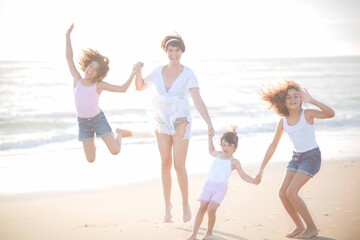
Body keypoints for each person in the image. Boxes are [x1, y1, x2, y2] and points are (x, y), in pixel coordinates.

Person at [135, 34, 214, 223]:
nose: (173, 53)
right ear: (166, 52)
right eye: (170, 50)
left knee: (179, 164)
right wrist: (138, 71)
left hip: (181, 121)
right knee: (165, 163)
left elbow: (197, 99)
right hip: (161, 121)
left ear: (182, 51)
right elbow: (139, 87)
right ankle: (167, 205)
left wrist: (209, 123)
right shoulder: (157, 71)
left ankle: (185, 203)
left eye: (177, 50)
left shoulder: (189, 74)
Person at [255, 80, 335, 239]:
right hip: (296, 157)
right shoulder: (283, 121)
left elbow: (330, 114)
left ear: (301, 99)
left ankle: (311, 228)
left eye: (296, 96)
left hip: (312, 157)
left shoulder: (308, 114)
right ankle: (299, 226)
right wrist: (261, 170)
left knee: (291, 192)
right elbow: (273, 146)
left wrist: (312, 100)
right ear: (283, 101)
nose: (292, 99)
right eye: (288, 97)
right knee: (282, 193)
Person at [66, 23, 141, 163]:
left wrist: (133, 73)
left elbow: (123, 88)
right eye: (90, 66)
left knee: (115, 151)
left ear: (98, 74)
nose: (90, 70)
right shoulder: (77, 79)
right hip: (83, 123)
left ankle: (119, 133)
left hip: (98, 120)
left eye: (94, 69)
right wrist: (67, 36)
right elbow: (69, 58)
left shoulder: (98, 85)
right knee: (91, 159)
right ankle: (93, 139)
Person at [188, 127, 256, 240]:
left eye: (229, 145)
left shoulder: (234, 162)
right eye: (223, 145)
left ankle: (209, 233)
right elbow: (210, 150)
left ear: (235, 147)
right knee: (201, 207)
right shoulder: (218, 154)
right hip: (208, 185)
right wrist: (209, 137)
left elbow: (243, 175)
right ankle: (193, 235)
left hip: (220, 188)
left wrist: (253, 180)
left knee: (211, 209)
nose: (225, 148)